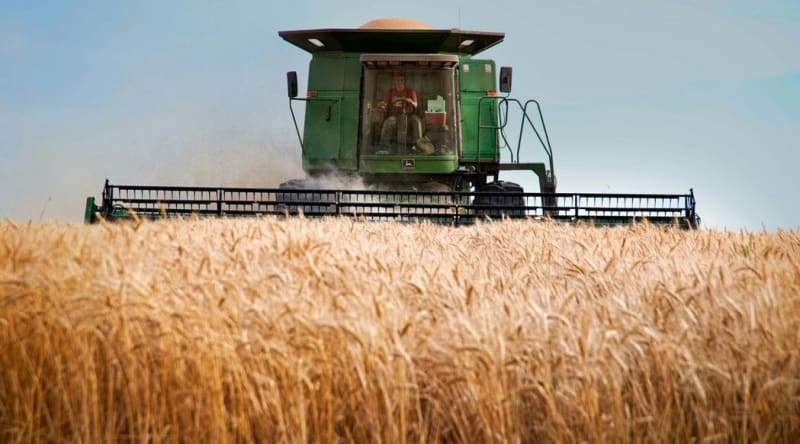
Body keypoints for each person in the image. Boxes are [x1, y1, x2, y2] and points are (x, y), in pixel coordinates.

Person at [378, 74, 423, 149]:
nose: (399, 82)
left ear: (404, 81)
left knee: (417, 121)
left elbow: (416, 104)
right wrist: (382, 105)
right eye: (397, 80)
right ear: (394, 81)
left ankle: (418, 145)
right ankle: (384, 146)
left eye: (401, 80)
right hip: (395, 117)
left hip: (409, 117)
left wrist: (410, 101)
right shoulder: (390, 92)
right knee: (388, 122)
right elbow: (384, 104)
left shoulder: (411, 92)